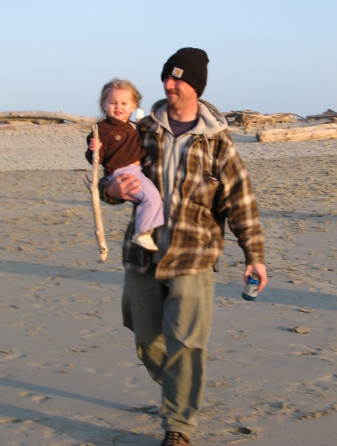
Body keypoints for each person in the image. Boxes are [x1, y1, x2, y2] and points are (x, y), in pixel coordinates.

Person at [99, 48, 267, 446]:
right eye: (166, 77)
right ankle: (178, 387)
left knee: (187, 346)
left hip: (195, 256)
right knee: (145, 338)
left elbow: (240, 201)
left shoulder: (217, 142)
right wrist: (111, 190)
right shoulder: (142, 130)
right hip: (143, 254)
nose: (169, 84)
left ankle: (178, 425)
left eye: (177, 79)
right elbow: (106, 176)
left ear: (196, 86)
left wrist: (254, 256)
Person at [85, 78, 164, 252]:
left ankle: (146, 231)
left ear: (134, 106)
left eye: (124, 103)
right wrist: (94, 150)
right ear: (104, 105)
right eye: (113, 102)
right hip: (122, 173)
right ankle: (142, 233)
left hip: (138, 171)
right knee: (151, 198)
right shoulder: (102, 129)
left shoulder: (135, 127)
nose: (118, 107)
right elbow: (94, 159)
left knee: (152, 198)